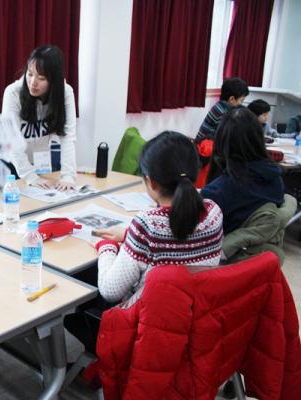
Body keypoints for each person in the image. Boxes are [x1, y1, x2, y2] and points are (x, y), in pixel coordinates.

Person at [65, 131, 224, 351]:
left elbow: (110, 290)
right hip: (194, 318)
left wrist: (107, 247)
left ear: (151, 182)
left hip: (143, 330)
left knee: (83, 275)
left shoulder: (147, 224)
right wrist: (130, 235)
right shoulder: (213, 212)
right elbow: (178, 237)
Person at [2, 45, 77, 190]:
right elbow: (12, 142)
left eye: (41, 78)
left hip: (39, 163)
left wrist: (68, 176)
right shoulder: (13, 93)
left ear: (54, 80)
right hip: (12, 164)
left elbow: (68, 136)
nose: (33, 82)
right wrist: (30, 176)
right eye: (30, 74)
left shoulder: (65, 92)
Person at [202, 107, 285, 235]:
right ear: (259, 139)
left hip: (225, 246)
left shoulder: (216, 192)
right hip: (262, 245)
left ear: (221, 141)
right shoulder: (276, 178)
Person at [194, 77, 249, 187]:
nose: (242, 104)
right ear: (232, 99)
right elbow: (228, 135)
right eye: (241, 100)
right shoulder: (222, 112)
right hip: (205, 153)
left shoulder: (223, 107)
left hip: (210, 149)